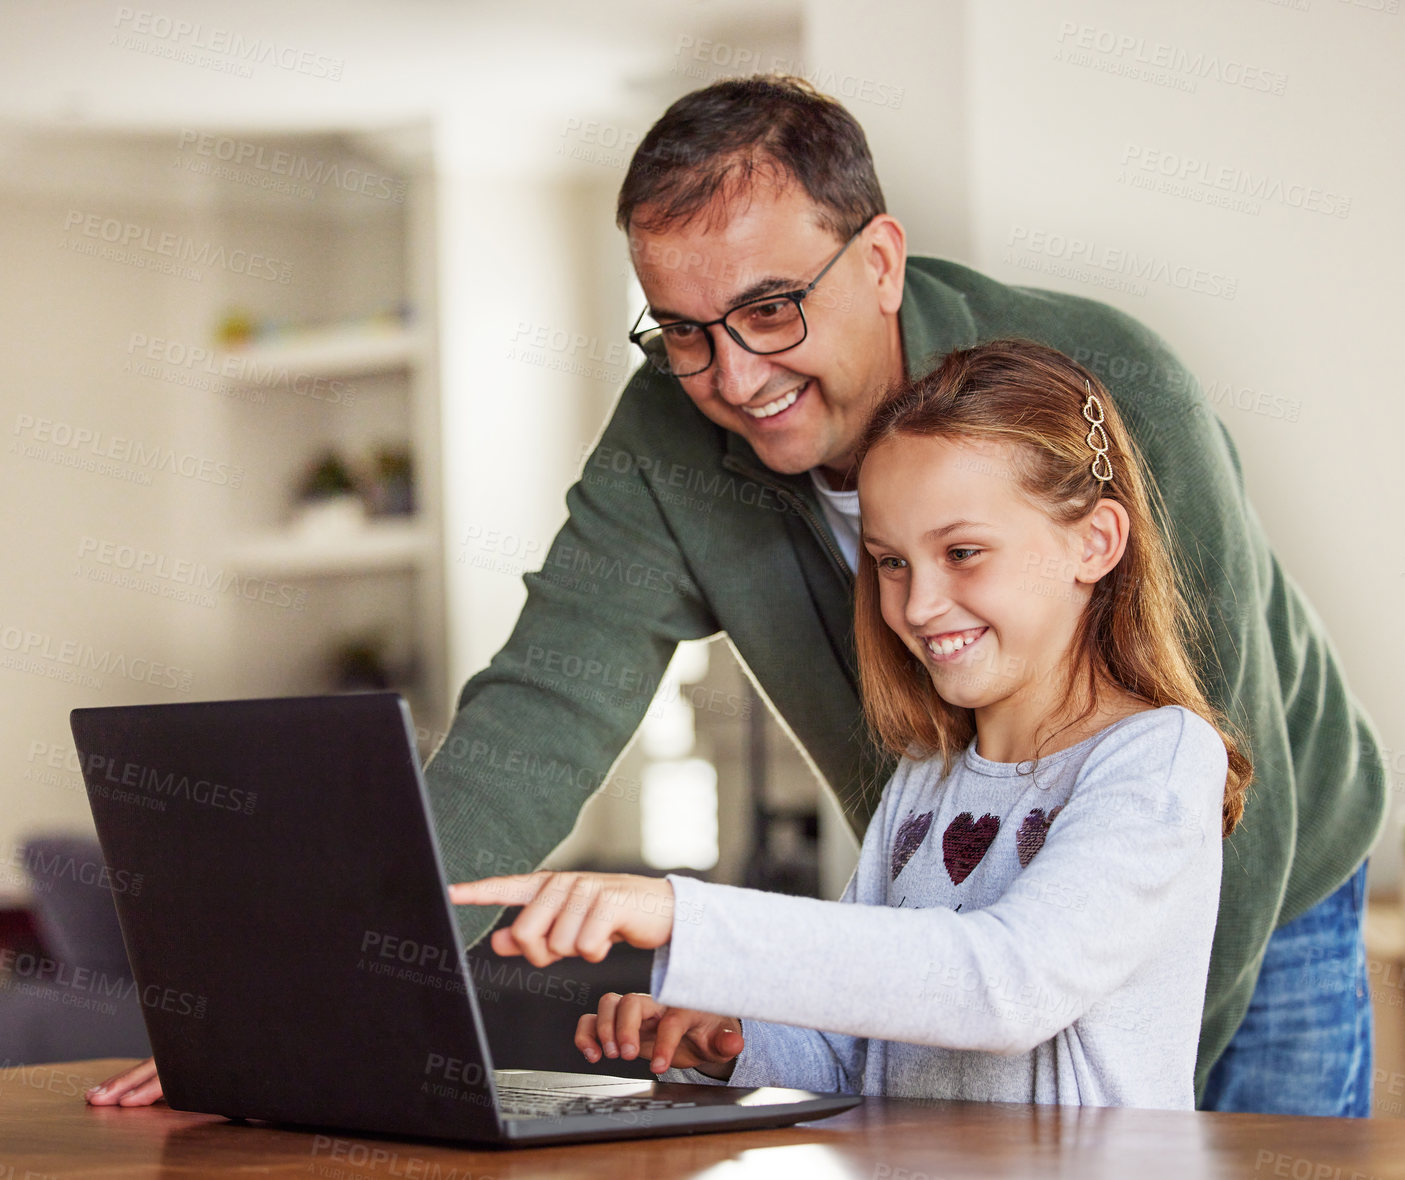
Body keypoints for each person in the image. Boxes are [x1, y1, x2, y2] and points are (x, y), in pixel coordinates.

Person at [86, 74, 1382, 1115]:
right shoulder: (671, 443)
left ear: (877, 259)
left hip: (1258, 878)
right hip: (974, 942)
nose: (732, 374)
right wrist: (308, 1010)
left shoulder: (1105, 387)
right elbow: (527, 734)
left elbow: (1210, 788)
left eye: (769, 307)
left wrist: (1139, 1098)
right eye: (682, 330)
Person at [448, 339, 1249, 1108]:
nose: (918, 604)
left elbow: (1005, 987)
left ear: (1095, 542)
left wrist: (683, 913)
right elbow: (856, 1049)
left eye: (963, 552)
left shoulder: (1157, 756)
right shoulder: (925, 781)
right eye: (891, 562)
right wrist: (731, 1037)